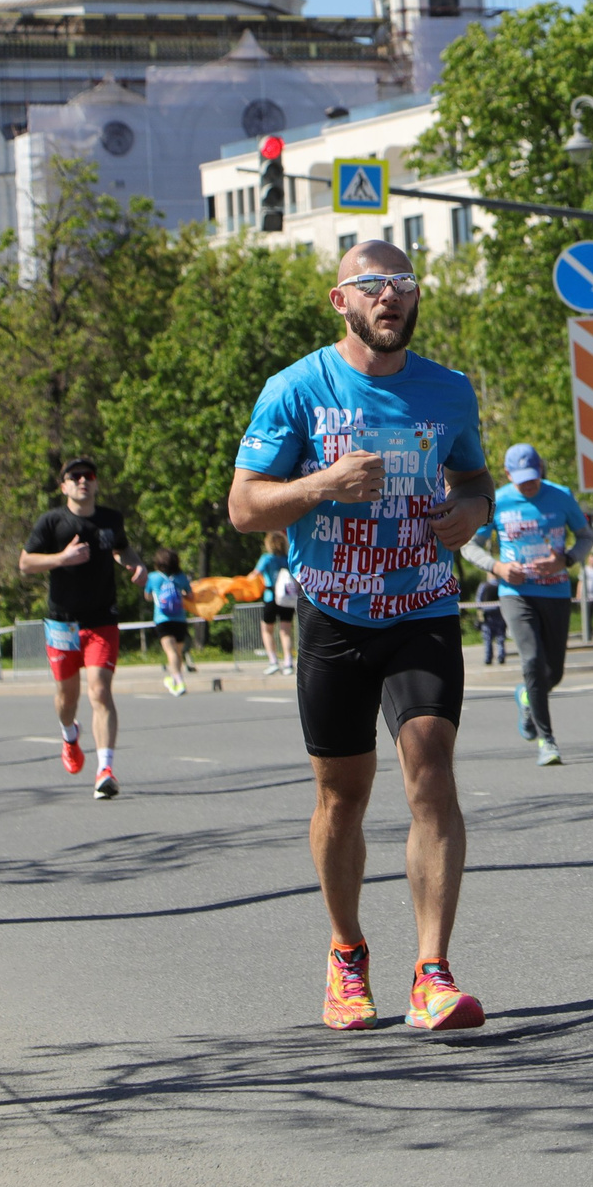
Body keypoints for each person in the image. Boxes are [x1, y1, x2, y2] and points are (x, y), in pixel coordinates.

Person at [228, 240, 495, 1033]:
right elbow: (245, 506)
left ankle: (433, 972)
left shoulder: (448, 391)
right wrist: (322, 485)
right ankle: (347, 954)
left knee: (430, 772)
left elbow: (475, 478)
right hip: (334, 615)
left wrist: (471, 512)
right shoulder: (298, 389)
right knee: (342, 797)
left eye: (402, 284)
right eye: (372, 286)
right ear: (340, 300)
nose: (390, 298)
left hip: (422, 607)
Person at [21, 456, 146, 799]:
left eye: (88, 476)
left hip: (102, 619)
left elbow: (122, 549)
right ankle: (68, 733)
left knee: (100, 691)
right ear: (63, 486)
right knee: (67, 697)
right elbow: (25, 562)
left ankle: (105, 769)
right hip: (62, 623)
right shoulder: (52, 522)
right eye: (74, 477)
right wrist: (61, 558)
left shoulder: (110, 519)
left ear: (96, 483)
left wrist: (136, 566)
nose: (82, 481)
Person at [462, 443, 590, 767]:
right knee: (531, 660)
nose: (528, 484)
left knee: (553, 672)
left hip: (556, 592)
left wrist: (567, 559)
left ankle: (526, 696)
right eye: (520, 478)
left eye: (533, 477)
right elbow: (469, 545)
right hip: (515, 593)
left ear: (541, 470)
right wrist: (498, 568)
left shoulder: (560, 495)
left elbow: (585, 536)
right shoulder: (499, 501)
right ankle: (547, 740)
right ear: (507, 474)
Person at [146, 547, 195, 694]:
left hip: (162, 619)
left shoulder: (153, 577)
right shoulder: (181, 577)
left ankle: (179, 681)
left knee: (171, 651)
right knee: (177, 652)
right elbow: (191, 596)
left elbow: (147, 596)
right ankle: (174, 679)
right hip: (180, 619)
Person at [256, 531, 294, 675]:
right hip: (286, 598)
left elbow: (255, 574)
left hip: (270, 596)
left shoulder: (267, 558)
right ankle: (288, 662)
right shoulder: (287, 558)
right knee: (286, 630)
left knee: (267, 629)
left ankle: (273, 661)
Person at [475, 585, 507, 667]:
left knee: (488, 638)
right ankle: (500, 656)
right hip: (499, 614)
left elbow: (478, 600)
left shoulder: (484, 586)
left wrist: (481, 611)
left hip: (488, 615)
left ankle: (488, 658)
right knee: (500, 637)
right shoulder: (501, 585)